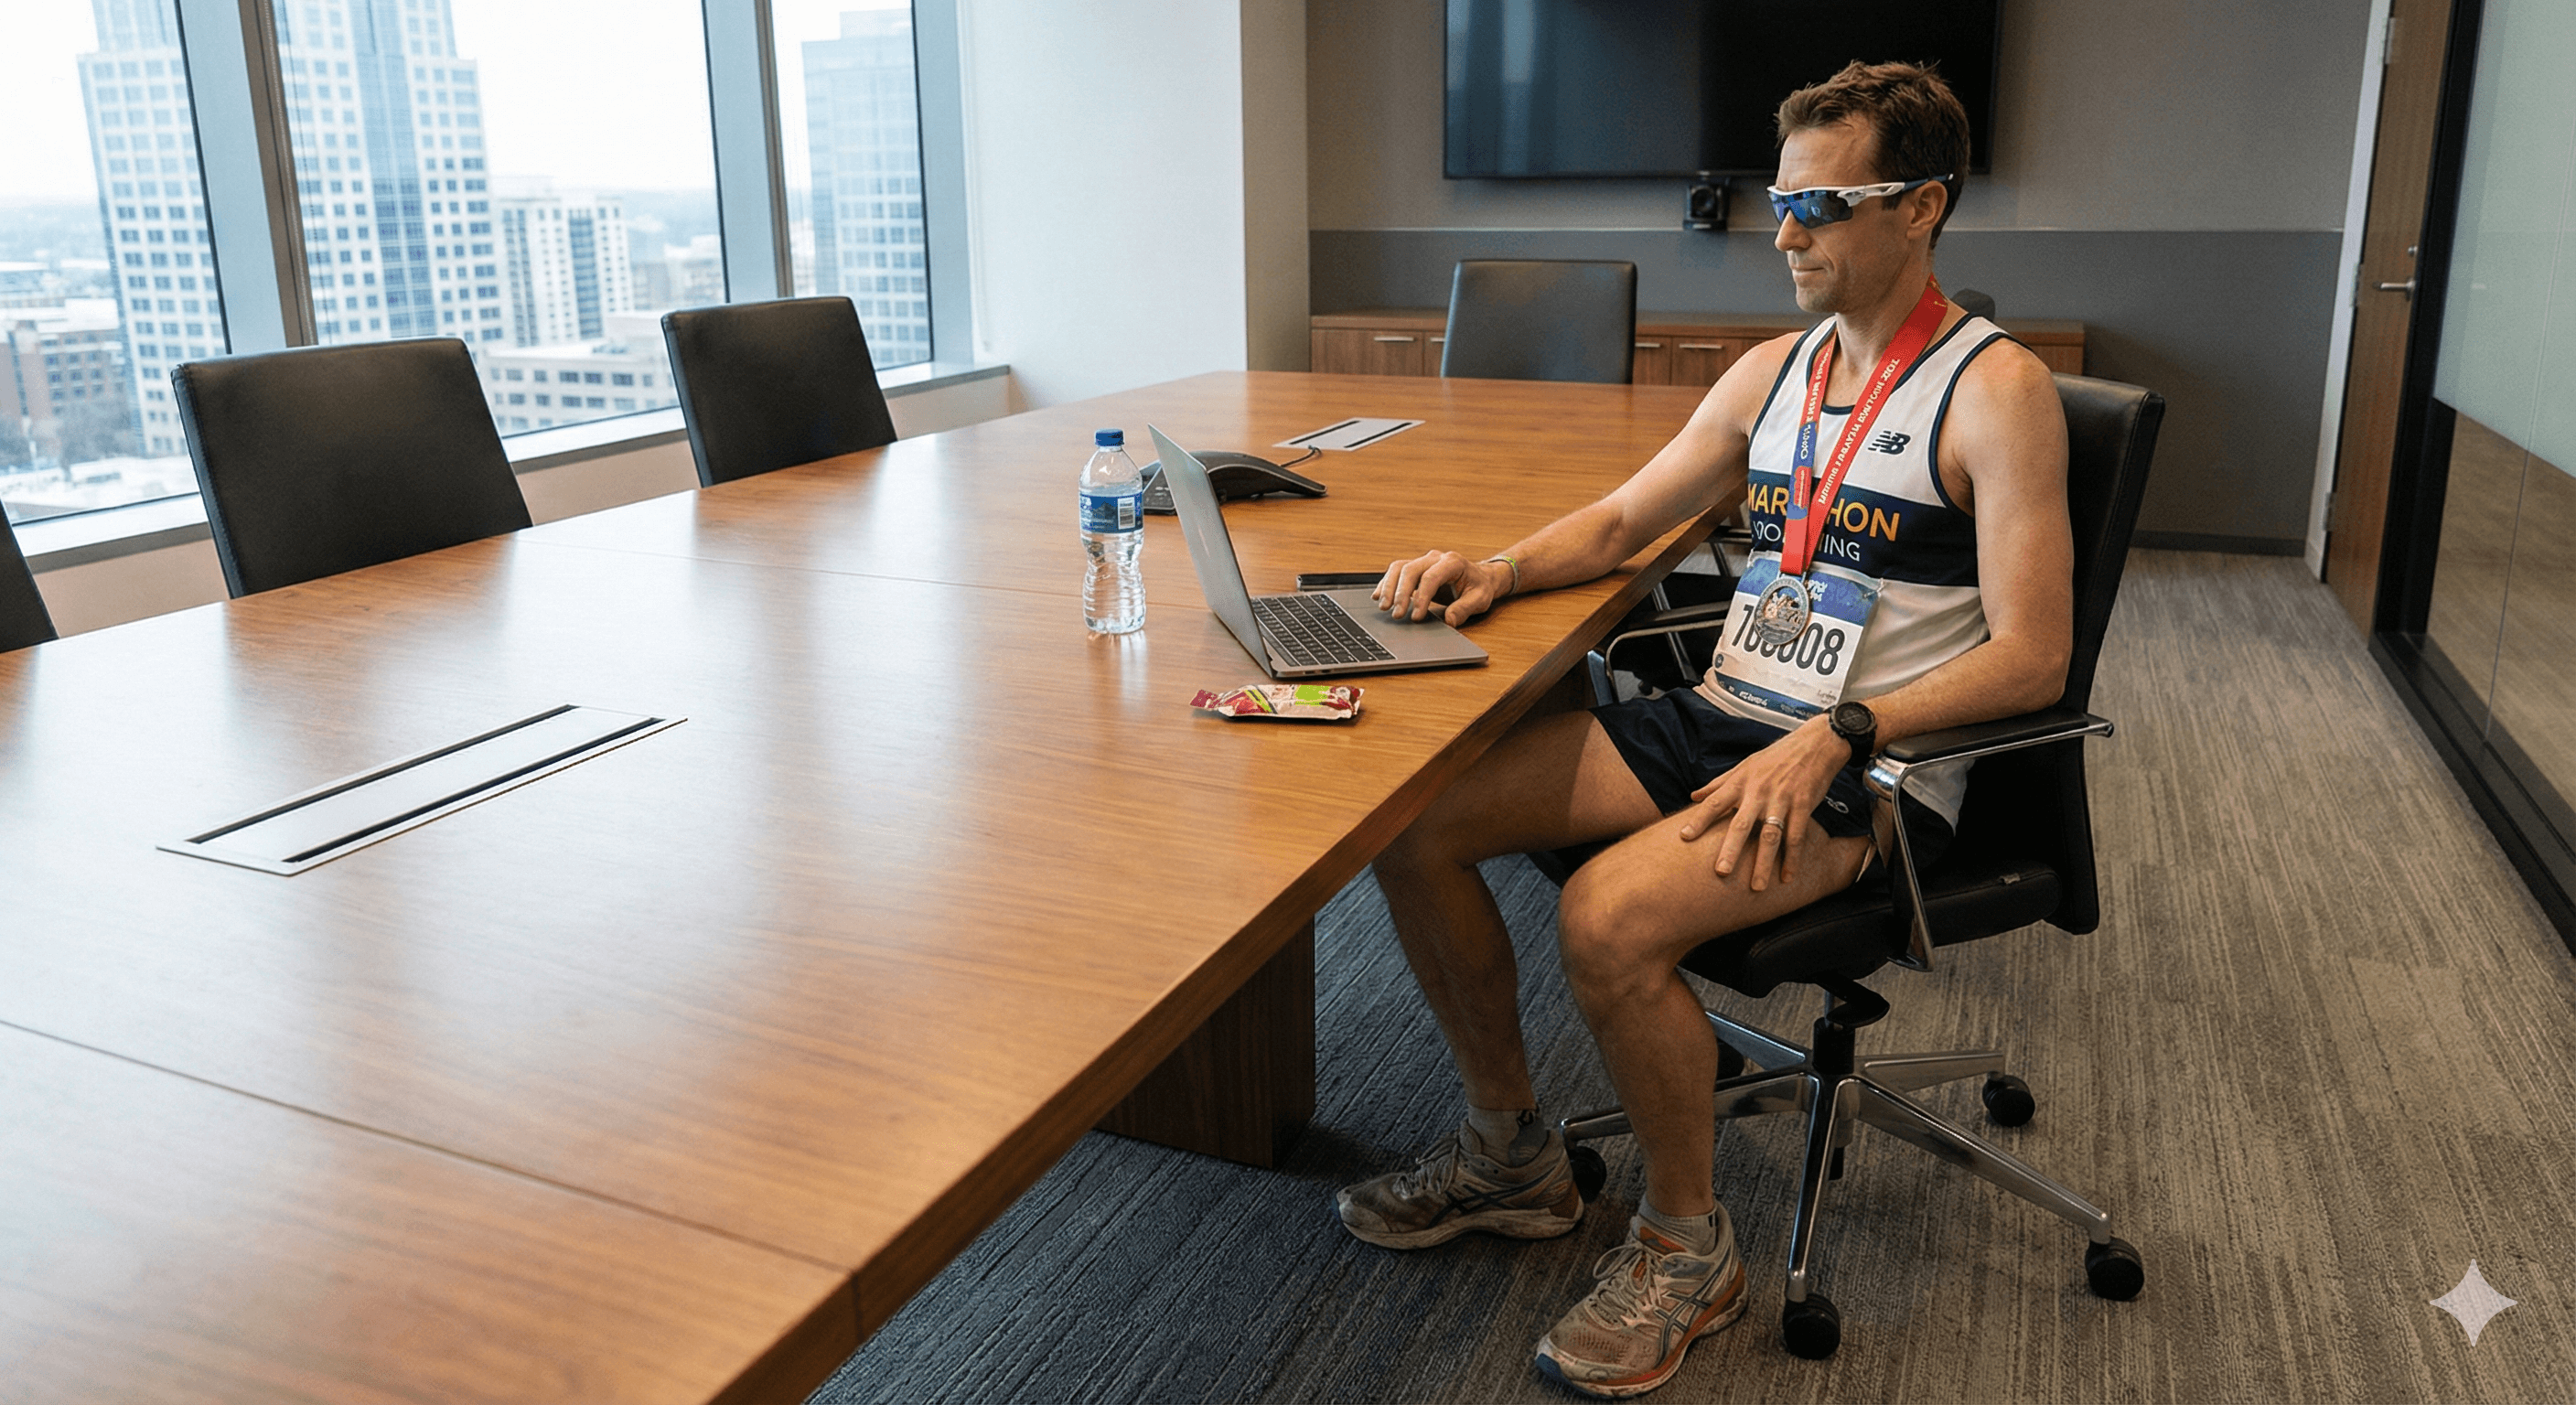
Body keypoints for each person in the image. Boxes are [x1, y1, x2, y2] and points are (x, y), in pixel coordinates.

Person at [1345, 60, 2074, 1399]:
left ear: (1921, 207)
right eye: (1778, 202)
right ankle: (1513, 1156)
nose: (1783, 233)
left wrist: (1846, 730)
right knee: (1414, 824)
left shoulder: (1995, 390)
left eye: (1822, 204)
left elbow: (2035, 655)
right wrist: (1500, 566)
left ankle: (1690, 1248)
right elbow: (1626, 522)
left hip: (1873, 764)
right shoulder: (1772, 372)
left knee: (1608, 919)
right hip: (1728, 711)